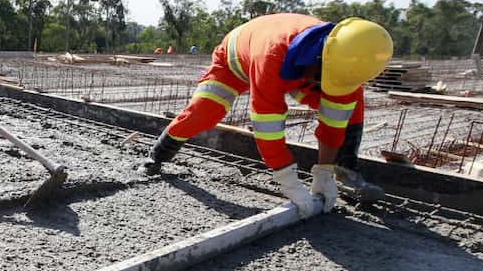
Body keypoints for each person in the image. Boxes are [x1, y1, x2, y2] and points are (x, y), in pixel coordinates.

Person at [144, 13, 393, 211]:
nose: (327, 86)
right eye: (323, 78)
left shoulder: (347, 61)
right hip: (235, 64)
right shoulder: (271, 57)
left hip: (296, 69)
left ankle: (346, 170)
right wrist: (288, 181)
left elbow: (334, 123)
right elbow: (267, 128)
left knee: (352, 103)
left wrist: (324, 172)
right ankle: (158, 156)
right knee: (204, 113)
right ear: (319, 59)